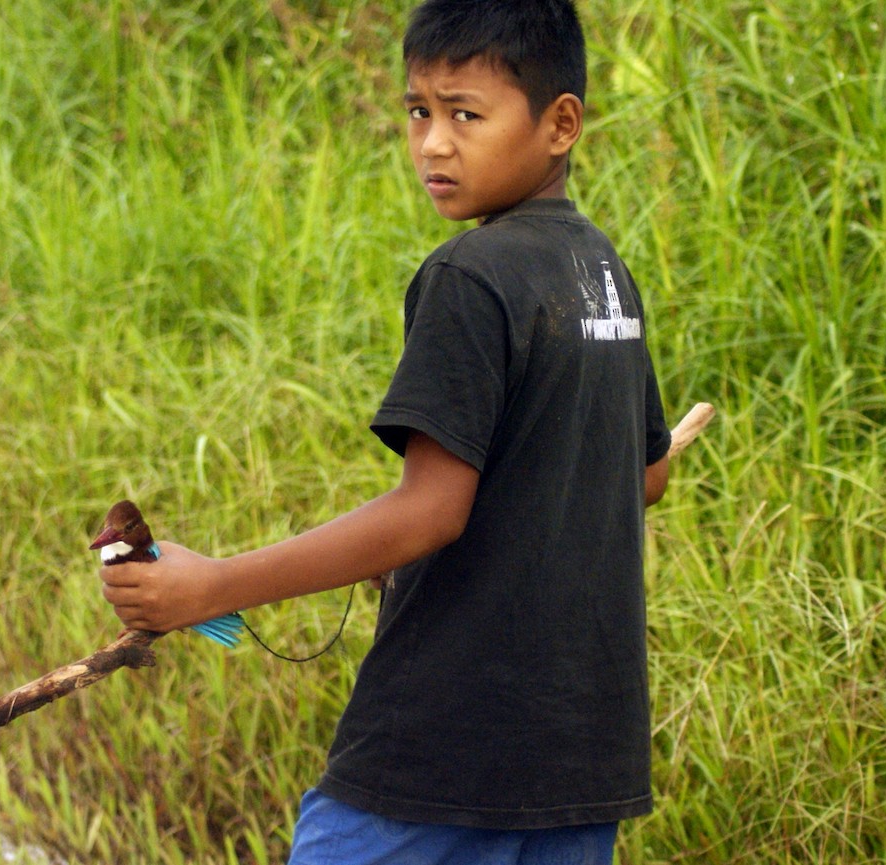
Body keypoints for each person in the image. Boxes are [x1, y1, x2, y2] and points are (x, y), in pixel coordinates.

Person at [101, 0, 671, 861]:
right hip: (579, 761)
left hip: (442, 753)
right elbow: (646, 475)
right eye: (419, 111)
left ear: (562, 124)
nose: (433, 143)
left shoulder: (469, 277)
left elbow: (430, 512)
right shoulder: (603, 270)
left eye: (465, 115)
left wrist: (212, 586)